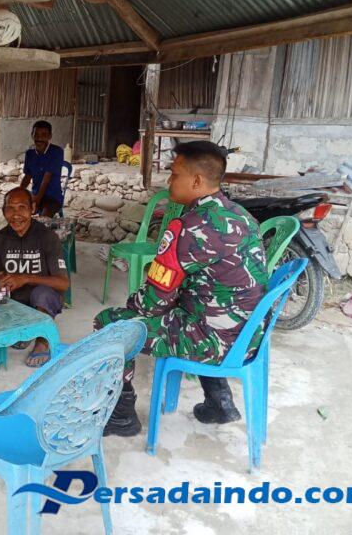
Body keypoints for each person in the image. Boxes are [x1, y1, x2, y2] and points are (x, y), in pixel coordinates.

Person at [94, 141, 268, 437]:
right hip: (249, 334)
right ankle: (220, 402)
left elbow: (152, 303)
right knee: (190, 306)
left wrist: (130, 310)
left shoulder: (190, 226)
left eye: (174, 175)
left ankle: (121, 417)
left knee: (111, 323)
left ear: (196, 181)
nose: (169, 181)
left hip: (216, 341)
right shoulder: (239, 214)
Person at [0, 187, 69, 367]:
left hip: (42, 299)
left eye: (22, 207)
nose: (16, 215)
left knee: (43, 294)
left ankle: (42, 340)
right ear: (3, 211)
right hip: (16, 299)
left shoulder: (47, 237)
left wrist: (25, 278)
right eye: (10, 208)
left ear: (32, 208)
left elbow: (63, 283)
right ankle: (23, 330)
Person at [20, 120, 65, 217]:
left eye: (44, 135)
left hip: (52, 197)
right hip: (35, 194)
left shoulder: (57, 152)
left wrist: (36, 201)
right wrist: (19, 192)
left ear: (50, 136)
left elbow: (46, 179)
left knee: (43, 220)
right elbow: (27, 177)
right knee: (18, 212)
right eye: (36, 134)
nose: (39, 138)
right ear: (32, 135)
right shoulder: (30, 154)